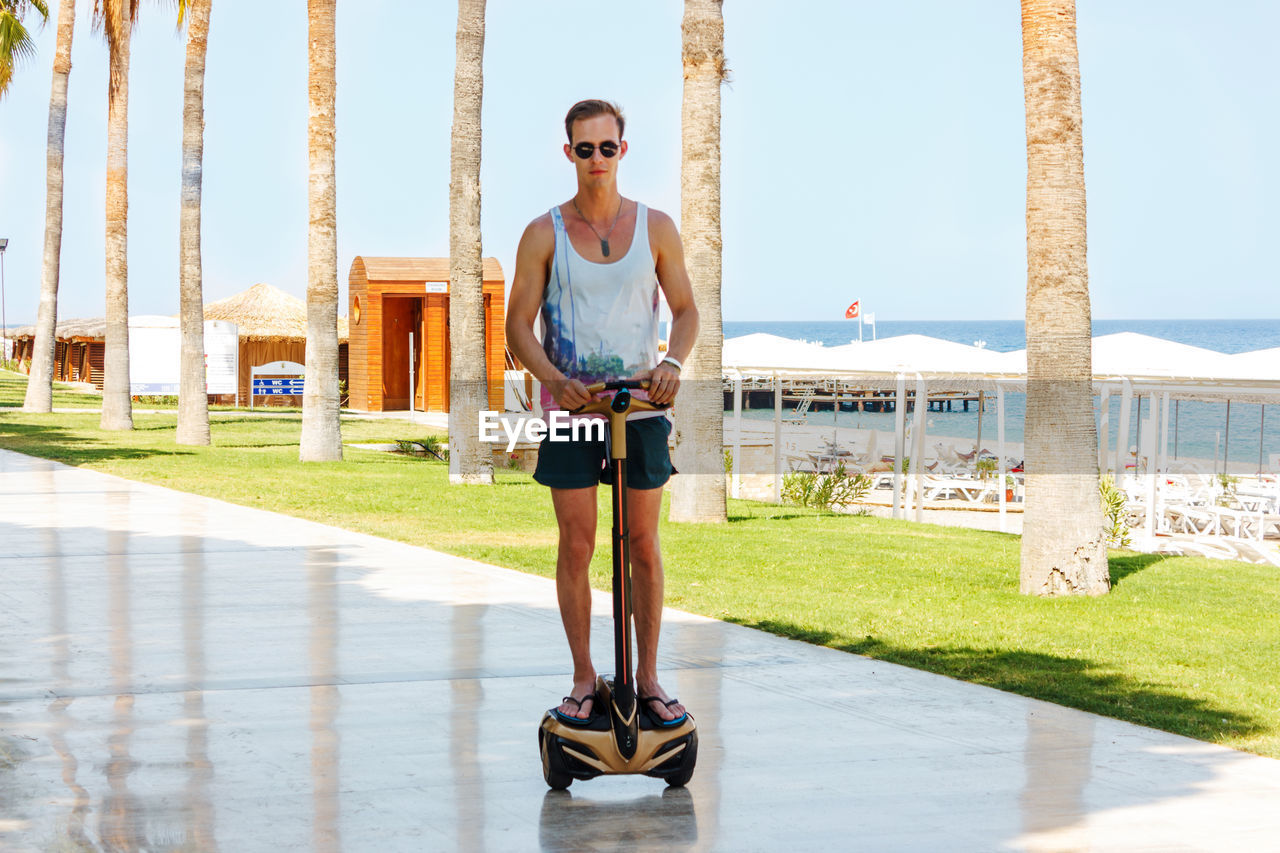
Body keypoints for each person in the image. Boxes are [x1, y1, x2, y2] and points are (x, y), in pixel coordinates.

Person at [506, 99, 699, 724]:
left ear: (622, 151)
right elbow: (517, 327)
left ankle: (646, 679)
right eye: (583, 149)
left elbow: (687, 310)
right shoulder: (544, 233)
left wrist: (672, 365)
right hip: (571, 413)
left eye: (606, 148)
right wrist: (556, 382)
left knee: (642, 543)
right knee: (578, 543)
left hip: (640, 411)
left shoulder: (657, 227)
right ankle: (584, 680)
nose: (595, 159)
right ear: (569, 154)